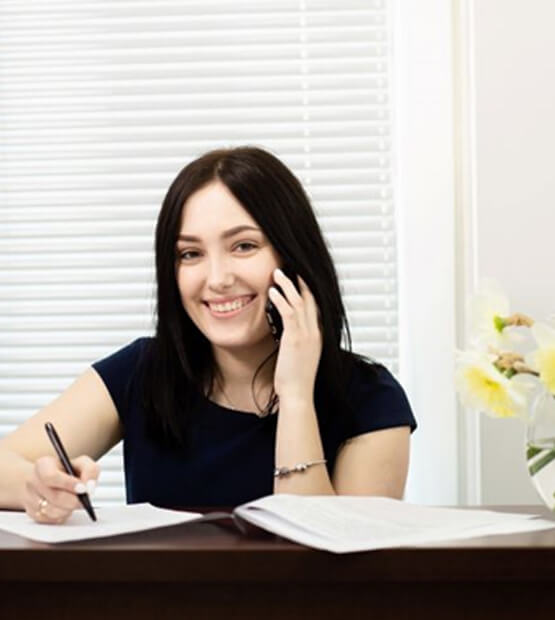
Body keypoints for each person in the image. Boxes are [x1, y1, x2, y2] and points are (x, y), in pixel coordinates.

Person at [0, 146, 416, 524]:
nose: (217, 279)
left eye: (244, 246)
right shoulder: (142, 371)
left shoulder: (372, 398)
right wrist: (37, 488)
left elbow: (327, 565)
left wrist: (295, 397)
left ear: (293, 256)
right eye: (191, 254)